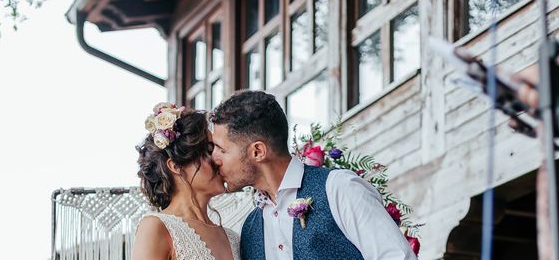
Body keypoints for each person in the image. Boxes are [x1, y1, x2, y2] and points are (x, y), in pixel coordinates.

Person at [209, 90, 417, 260]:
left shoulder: (339, 188)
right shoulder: (249, 230)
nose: (214, 159)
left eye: (221, 150)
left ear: (258, 152)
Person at [132, 102, 240, 260]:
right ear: (175, 165)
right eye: (209, 151)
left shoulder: (234, 239)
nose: (217, 159)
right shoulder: (156, 227)